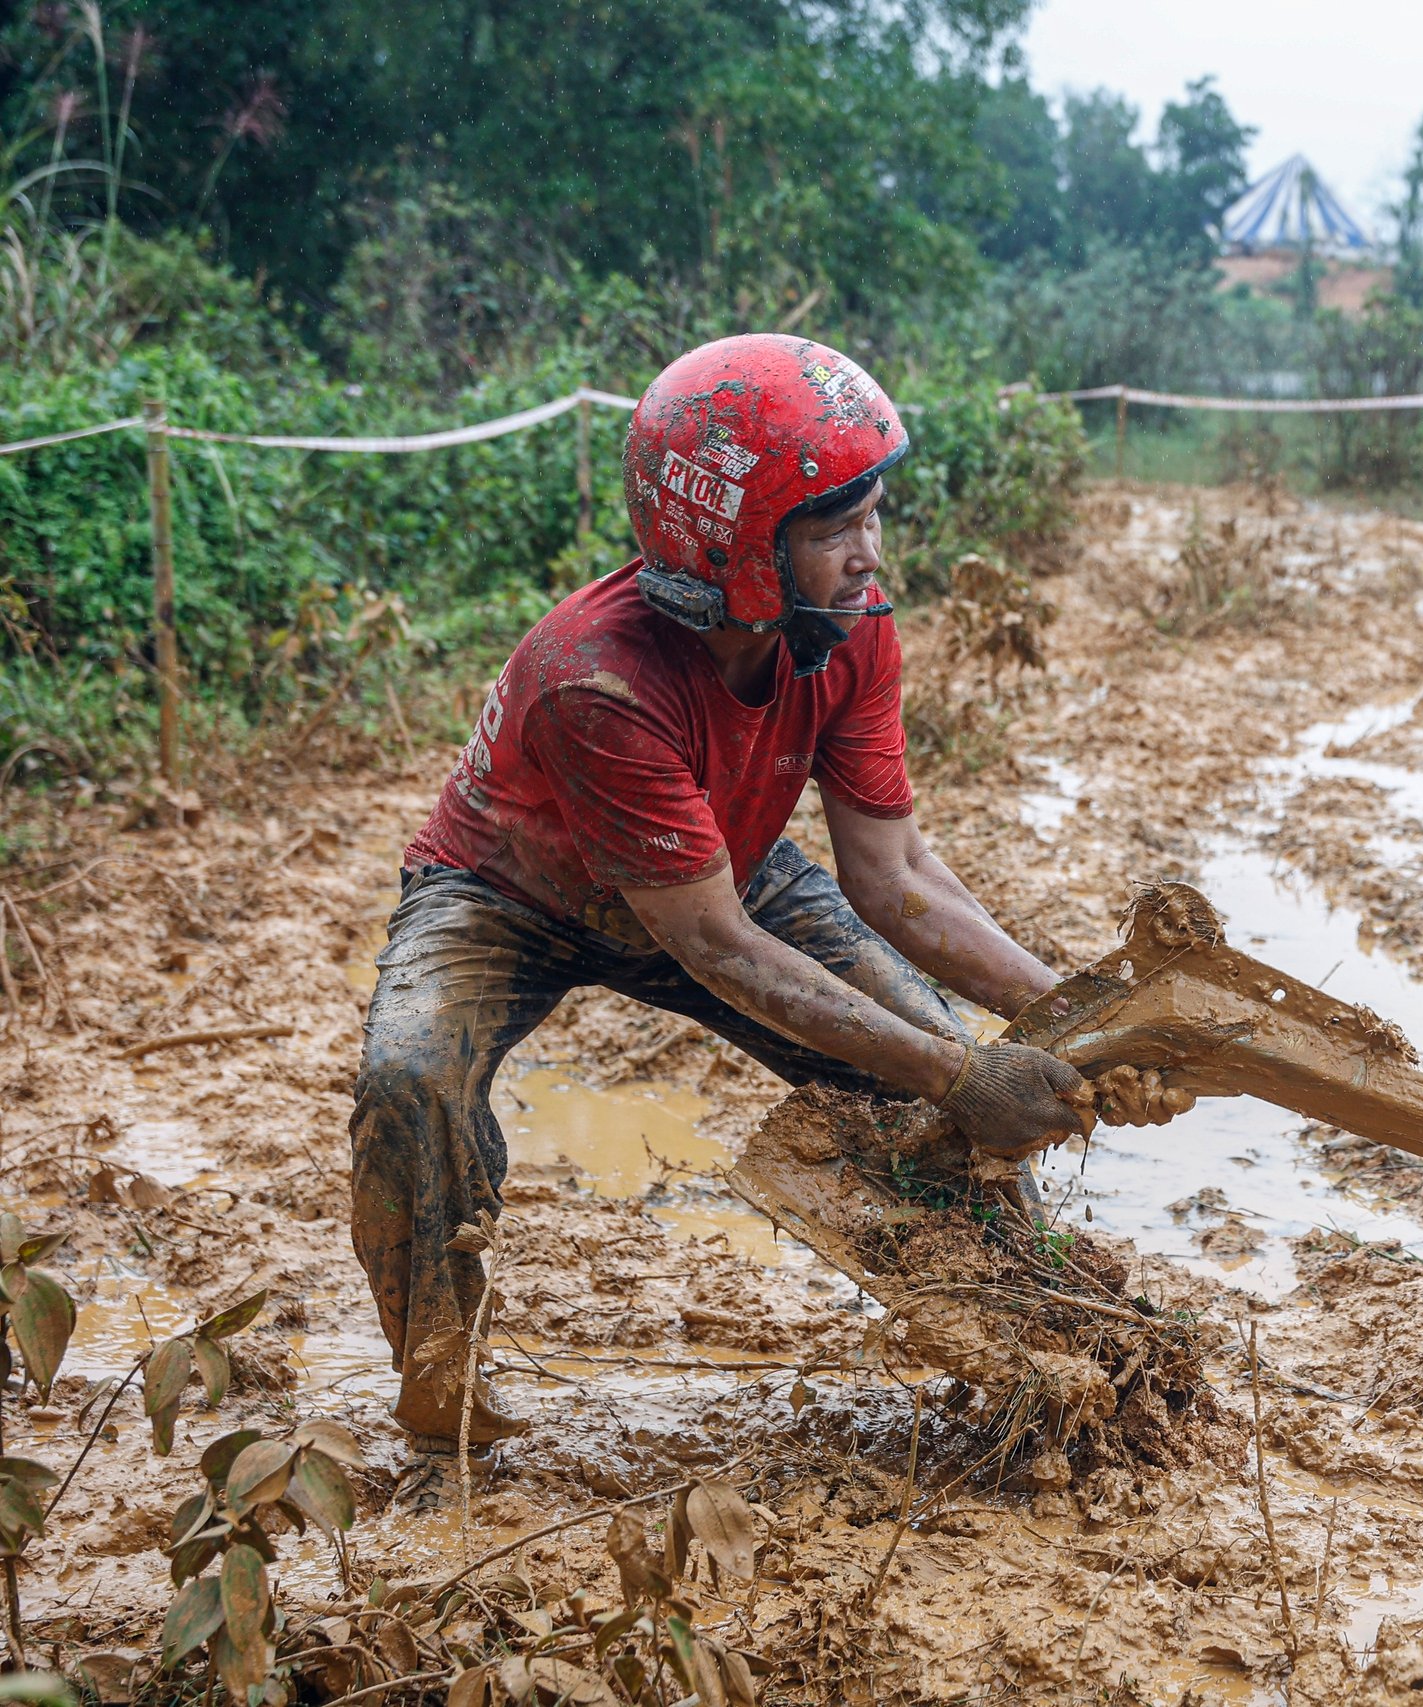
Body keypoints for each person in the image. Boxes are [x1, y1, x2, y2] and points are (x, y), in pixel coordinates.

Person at [350, 334, 1127, 1446]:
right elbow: (713, 946)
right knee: (409, 1076)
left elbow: (895, 875)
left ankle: (1050, 1352)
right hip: (506, 895)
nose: (869, 556)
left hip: (722, 858)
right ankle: (442, 1387)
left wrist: (1080, 1019)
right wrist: (964, 1075)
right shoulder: (596, 681)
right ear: (732, 552)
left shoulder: (849, 634)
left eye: (873, 518)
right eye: (831, 530)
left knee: (924, 1048)